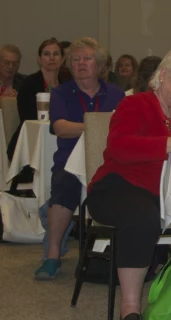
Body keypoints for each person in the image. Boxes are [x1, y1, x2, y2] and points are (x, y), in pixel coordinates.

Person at [86, 49, 171, 320]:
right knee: (142, 216)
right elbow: (119, 149)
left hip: (170, 196)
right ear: (163, 75)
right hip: (117, 187)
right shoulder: (134, 105)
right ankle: (130, 307)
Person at [34, 38, 125, 281]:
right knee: (64, 185)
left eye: (87, 59)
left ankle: (125, 253)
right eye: (75, 59)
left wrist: (91, 127)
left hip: (110, 161)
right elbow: (61, 128)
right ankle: (52, 255)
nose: (81, 63)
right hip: (69, 160)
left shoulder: (116, 94)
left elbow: (125, 127)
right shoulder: (61, 93)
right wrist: (96, 126)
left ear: (100, 65)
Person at [16, 38, 65, 122]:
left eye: (56, 54)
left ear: (62, 59)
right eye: (46, 54)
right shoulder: (30, 83)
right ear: (39, 60)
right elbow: (27, 116)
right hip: (34, 131)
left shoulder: (66, 84)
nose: (52, 58)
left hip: (62, 131)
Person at [0, 44, 25, 108]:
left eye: (14, 63)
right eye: (6, 62)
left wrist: (20, 99)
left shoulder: (26, 82)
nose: (10, 67)